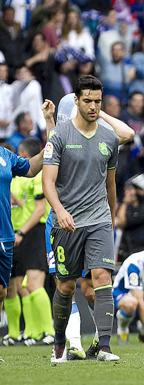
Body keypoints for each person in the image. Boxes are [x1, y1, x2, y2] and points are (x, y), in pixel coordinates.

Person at [42, 76, 127, 363]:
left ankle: (104, 346)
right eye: (88, 100)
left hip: (99, 219)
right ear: (76, 101)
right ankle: (58, 344)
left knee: (102, 277)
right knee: (65, 286)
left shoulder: (109, 138)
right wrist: (60, 211)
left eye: (97, 101)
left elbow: (111, 185)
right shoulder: (60, 136)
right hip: (68, 221)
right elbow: (48, 183)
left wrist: (111, 219)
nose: (93, 106)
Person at [0, 100, 51, 352]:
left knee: (10, 289)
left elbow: (31, 168)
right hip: (16, 233)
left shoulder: (6, 157)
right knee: (12, 289)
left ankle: (42, 331)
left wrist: (51, 130)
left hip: (15, 235)